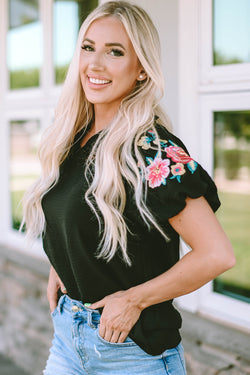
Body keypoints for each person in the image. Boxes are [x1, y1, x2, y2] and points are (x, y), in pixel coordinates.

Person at [22, 1, 235, 374]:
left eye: (115, 52)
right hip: (68, 341)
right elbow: (78, 218)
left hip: (133, 354)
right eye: (88, 48)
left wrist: (134, 300)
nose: (95, 65)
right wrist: (69, 263)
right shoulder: (72, 138)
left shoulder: (154, 151)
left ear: (141, 70)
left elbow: (217, 254)